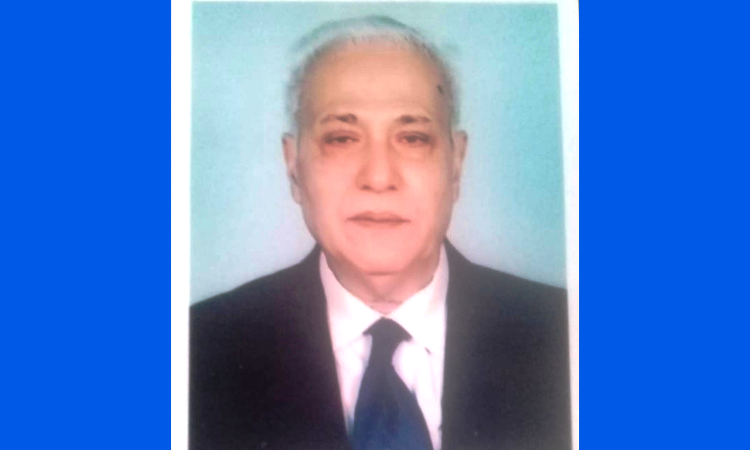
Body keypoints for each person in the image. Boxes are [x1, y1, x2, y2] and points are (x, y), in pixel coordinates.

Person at [190, 16, 571, 450]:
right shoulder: (197, 350)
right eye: (341, 138)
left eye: (413, 137)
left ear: (456, 164)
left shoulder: (566, 335)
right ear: (294, 167)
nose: (378, 176)